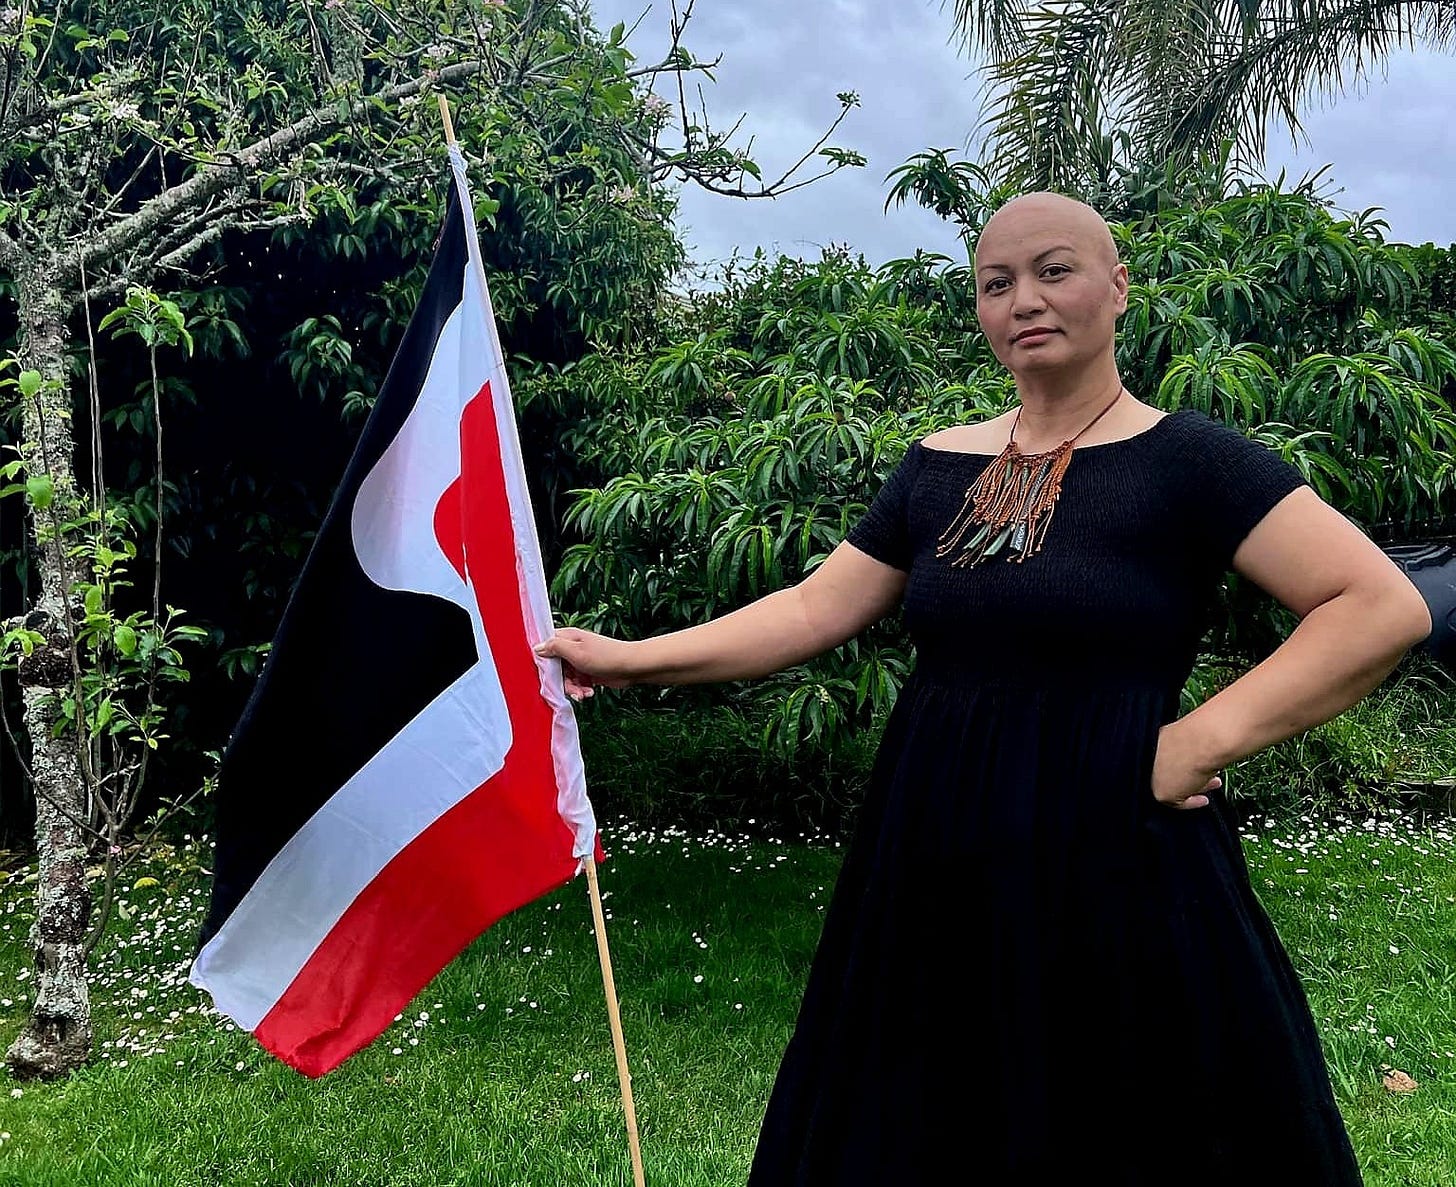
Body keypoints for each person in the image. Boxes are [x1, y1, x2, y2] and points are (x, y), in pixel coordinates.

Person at [534, 192, 1433, 1185]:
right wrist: (624, 654)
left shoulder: (1192, 462)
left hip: (1115, 842)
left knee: (1137, 1110)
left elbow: (1375, 604)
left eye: (1053, 270)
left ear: (1117, 286)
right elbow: (806, 611)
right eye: (996, 283)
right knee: (926, 1111)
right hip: (936, 844)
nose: (1024, 300)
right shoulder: (934, 466)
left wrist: (1198, 739)